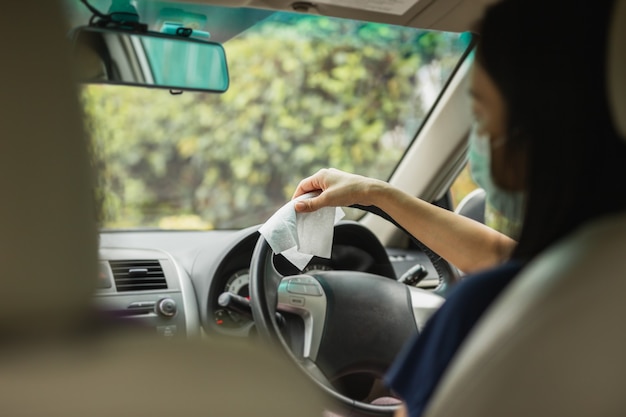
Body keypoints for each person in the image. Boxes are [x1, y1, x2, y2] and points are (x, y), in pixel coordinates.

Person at [292, 0, 626, 415]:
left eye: (481, 118)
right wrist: (376, 192)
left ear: (538, 137)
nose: (478, 145)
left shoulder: (488, 304)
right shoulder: (599, 271)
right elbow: (502, 257)